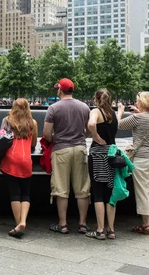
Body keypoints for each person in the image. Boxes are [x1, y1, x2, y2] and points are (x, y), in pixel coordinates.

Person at [43, 78, 91, 235]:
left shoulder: (53, 108)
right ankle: (83, 224)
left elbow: (46, 134)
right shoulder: (84, 107)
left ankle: (63, 224)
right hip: (80, 149)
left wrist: (56, 138)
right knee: (83, 188)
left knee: (61, 188)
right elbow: (90, 129)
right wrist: (82, 135)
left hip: (61, 150)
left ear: (60, 90)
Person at [118, 92, 149, 235]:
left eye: (137, 101)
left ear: (141, 103)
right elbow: (147, 120)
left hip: (142, 159)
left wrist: (120, 111)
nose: (136, 103)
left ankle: (145, 225)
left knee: (143, 191)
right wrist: (139, 113)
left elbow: (118, 125)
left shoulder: (136, 118)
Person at [86, 89, 121, 240]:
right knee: (110, 192)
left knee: (98, 192)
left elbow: (91, 123)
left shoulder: (96, 111)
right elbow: (116, 124)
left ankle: (100, 230)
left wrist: (95, 136)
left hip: (98, 154)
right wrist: (121, 110)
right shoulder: (112, 114)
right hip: (112, 155)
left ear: (96, 99)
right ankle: (111, 230)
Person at [0, 98, 37, 238]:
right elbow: (33, 143)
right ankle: (23, 221)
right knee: (25, 193)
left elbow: (1, 138)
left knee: (14, 193)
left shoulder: (7, 121)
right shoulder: (32, 123)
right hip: (26, 160)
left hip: (10, 160)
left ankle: (18, 225)